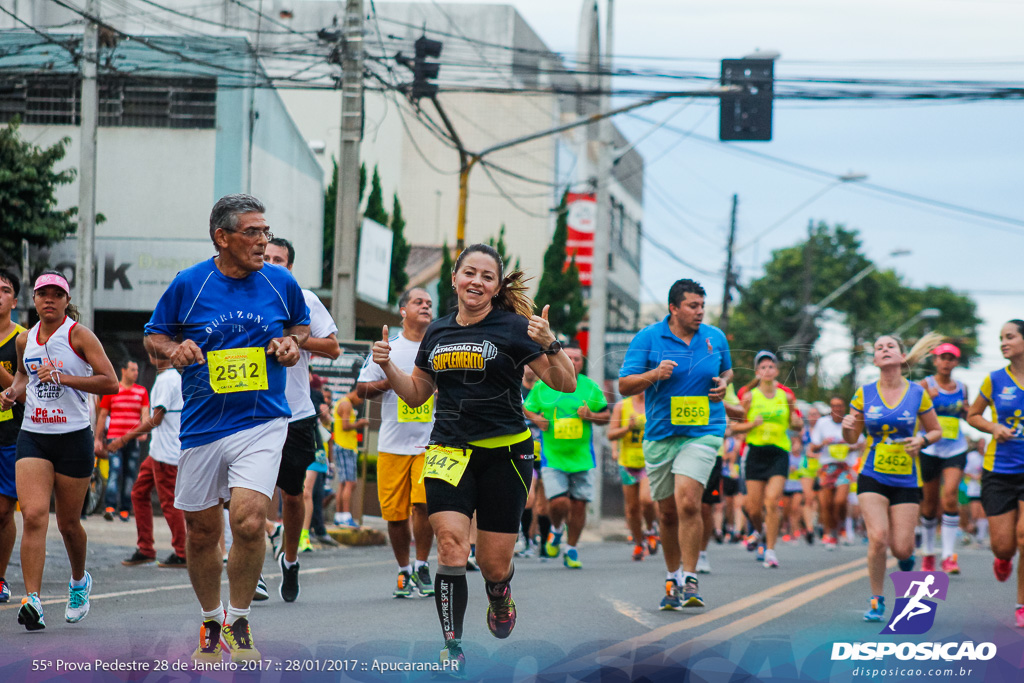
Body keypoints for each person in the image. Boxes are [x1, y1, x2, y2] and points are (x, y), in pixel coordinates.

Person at [370, 244, 574, 675]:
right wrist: (388, 368)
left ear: (497, 286)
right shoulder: (438, 331)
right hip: (448, 450)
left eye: (486, 276)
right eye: (469, 273)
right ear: (455, 279)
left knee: (493, 564)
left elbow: (565, 383)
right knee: (450, 546)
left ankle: (499, 593)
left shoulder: (516, 327)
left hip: (506, 455)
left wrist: (550, 343)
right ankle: (452, 645)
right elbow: (418, 393)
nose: (476, 282)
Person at [144, 194, 310, 661]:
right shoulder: (189, 284)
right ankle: (210, 619)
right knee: (200, 531)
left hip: (263, 420)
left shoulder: (280, 282)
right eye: (253, 233)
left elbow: (299, 327)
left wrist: (291, 344)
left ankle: (239, 620)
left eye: (266, 232)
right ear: (223, 237)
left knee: (248, 519)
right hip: (201, 426)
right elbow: (154, 336)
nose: (264, 242)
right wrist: (172, 351)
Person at [0, 271, 119, 630]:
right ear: (34, 300)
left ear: (67, 300)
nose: (49, 300)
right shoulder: (25, 340)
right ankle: (32, 599)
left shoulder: (79, 335)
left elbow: (110, 382)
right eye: (42, 294)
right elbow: (23, 376)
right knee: (33, 515)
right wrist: (13, 392)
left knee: (68, 524)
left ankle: (79, 582)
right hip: (34, 435)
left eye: (57, 294)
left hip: (73, 436)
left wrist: (64, 377)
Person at [618, 278, 733, 610]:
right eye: (692, 306)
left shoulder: (715, 337)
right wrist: (654, 374)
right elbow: (625, 385)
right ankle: (672, 576)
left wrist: (723, 385)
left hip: (704, 430)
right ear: (673, 308)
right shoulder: (649, 337)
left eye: (702, 306)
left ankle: (691, 576)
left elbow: (727, 372)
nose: (699, 312)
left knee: (687, 503)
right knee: (666, 513)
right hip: (660, 435)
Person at [842, 333, 942, 623]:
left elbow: (936, 430)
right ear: (874, 360)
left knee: (902, 548)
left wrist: (922, 440)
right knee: (877, 537)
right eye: (878, 348)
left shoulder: (917, 393)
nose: (884, 350)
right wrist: (848, 425)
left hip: (906, 479)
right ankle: (877, 600)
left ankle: (907, 558)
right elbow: (851, 438)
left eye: (891, 346)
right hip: (872, 473)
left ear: (901, 356)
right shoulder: (864, 393)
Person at [261, 237, 340, 602]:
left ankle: (290, 560)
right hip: (252, 412)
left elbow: (333, 347)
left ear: (289, 267)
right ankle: (253, 568)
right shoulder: (244, 295)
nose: (273, 263)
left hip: (296, 412)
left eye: (280, 259)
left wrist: (293, 340)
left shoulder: (304, 298)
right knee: (252, 492)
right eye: (267, 257)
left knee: (294, 494)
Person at [357, 287, 438, 598]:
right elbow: (361, 390)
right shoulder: (388, 348)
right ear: (403, 311)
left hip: (428, 443)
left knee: (424, 504)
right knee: (394, 515)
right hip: (392, 444)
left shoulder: (437, 347)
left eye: (430, 304)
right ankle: (404, 570)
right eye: (419, 302)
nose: (426, 307)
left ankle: (421, 564)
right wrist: (391, 378)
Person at [524, 343, 610, 568]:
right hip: (553, 456)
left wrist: (591, 415)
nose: (572, 362)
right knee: (559, 502)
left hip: (582, 458)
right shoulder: (545, 385)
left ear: (583, 363)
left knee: (580, 505)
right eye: (568, 358)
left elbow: (606, 416)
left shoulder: (589, 387)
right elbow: (527, 407)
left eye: (577, 359)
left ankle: (571, 549)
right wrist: (537, 419)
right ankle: (557, 529)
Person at [966, 320, 1024, 627]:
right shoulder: (995, 380)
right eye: (1001, 338)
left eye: (1010, 337)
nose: (1003, 342)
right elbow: (972, 415)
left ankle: (1021, 604)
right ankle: (1002, 559)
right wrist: (993, 427)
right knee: (1005, 544)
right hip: (999, 470)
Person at [732, 350, 802, 568]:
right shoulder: (749, 396)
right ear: (757, 372)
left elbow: (796, 424)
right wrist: (751, 425)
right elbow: (735, 426)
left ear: (777, 370)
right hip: (755, 453)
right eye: (763, 367)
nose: (767, 370)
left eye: (771, 366)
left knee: (772, 501)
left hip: (779, 453)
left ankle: (771, 550)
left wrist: (794, 417)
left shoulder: (786, 396)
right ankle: (759, 532)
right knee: (753, 508)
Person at [116, 352, 187, 568]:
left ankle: (182, 552)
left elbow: (156, 418)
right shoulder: (168, 376)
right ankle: (146, 548)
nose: (149, 352)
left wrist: (125, 438)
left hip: (166, 453)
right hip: (159, 451)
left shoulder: (167, 379)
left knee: (169, 502)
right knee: (138, 493)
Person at [917, 343, 969, 574]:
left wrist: (968, 412)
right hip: (929, 448)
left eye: (951, 358)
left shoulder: (963, 388)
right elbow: (913, 418)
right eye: (942, 358)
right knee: (928, 505)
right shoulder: (925, 385)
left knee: (949, 497)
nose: (946, 362)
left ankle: (948, 556)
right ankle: (929, 553)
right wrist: (925, 399)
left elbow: (969, 415)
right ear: (935, 361)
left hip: (954, 449)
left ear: (956, 362)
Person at [95, 358, 150, 522]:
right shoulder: (112, 390)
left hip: (132, 440)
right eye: (133, 370)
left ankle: (125, 509)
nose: (136, 373)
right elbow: (102, 415)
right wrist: (98, 439)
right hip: (114, 439)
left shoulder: (141, 392)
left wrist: (144, 431)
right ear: (123, 371)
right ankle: (110, 507)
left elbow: (145, 413)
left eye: (137, 370)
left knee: (130, 474)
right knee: (114, 471)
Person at [0, 268, 26, 604]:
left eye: (4, 289)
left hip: (12, 434)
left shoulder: (24, 339)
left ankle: (1, 577)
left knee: (4, 511)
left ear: (15, 300)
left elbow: (28, 392)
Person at [607, 392, 658, 561]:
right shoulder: (622, 406)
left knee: (647, 500)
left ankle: (650, 529)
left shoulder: (654, 404)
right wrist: (626, 428)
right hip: (627, 462)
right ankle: (638, 543)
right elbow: (611, 434)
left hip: (648, 461)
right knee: (632, 509)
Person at [809, 396, 863, 549]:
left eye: (840, 406)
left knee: (839, 502)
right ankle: (831, 533)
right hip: (827, 467)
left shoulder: (849, 422)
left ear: (844, 408)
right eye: (834, 406)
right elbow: (813, 447)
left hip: (844, 467)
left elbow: (862, 441)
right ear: (830, 408)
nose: (837, 409)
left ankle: (841, 527)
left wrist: (851, 446)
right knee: (826, 504)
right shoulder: (822, 423)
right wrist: (824, 443)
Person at [331, 390, 366, 532]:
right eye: (361, 399)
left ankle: (340, 516)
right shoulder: (346, 405)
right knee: (350, 483)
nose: (361, 402)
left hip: (341, 445)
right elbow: (345, 426)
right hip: (346, 446)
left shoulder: (342, 402)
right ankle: (345, 516)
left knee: (343, 483)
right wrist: (359, 424)